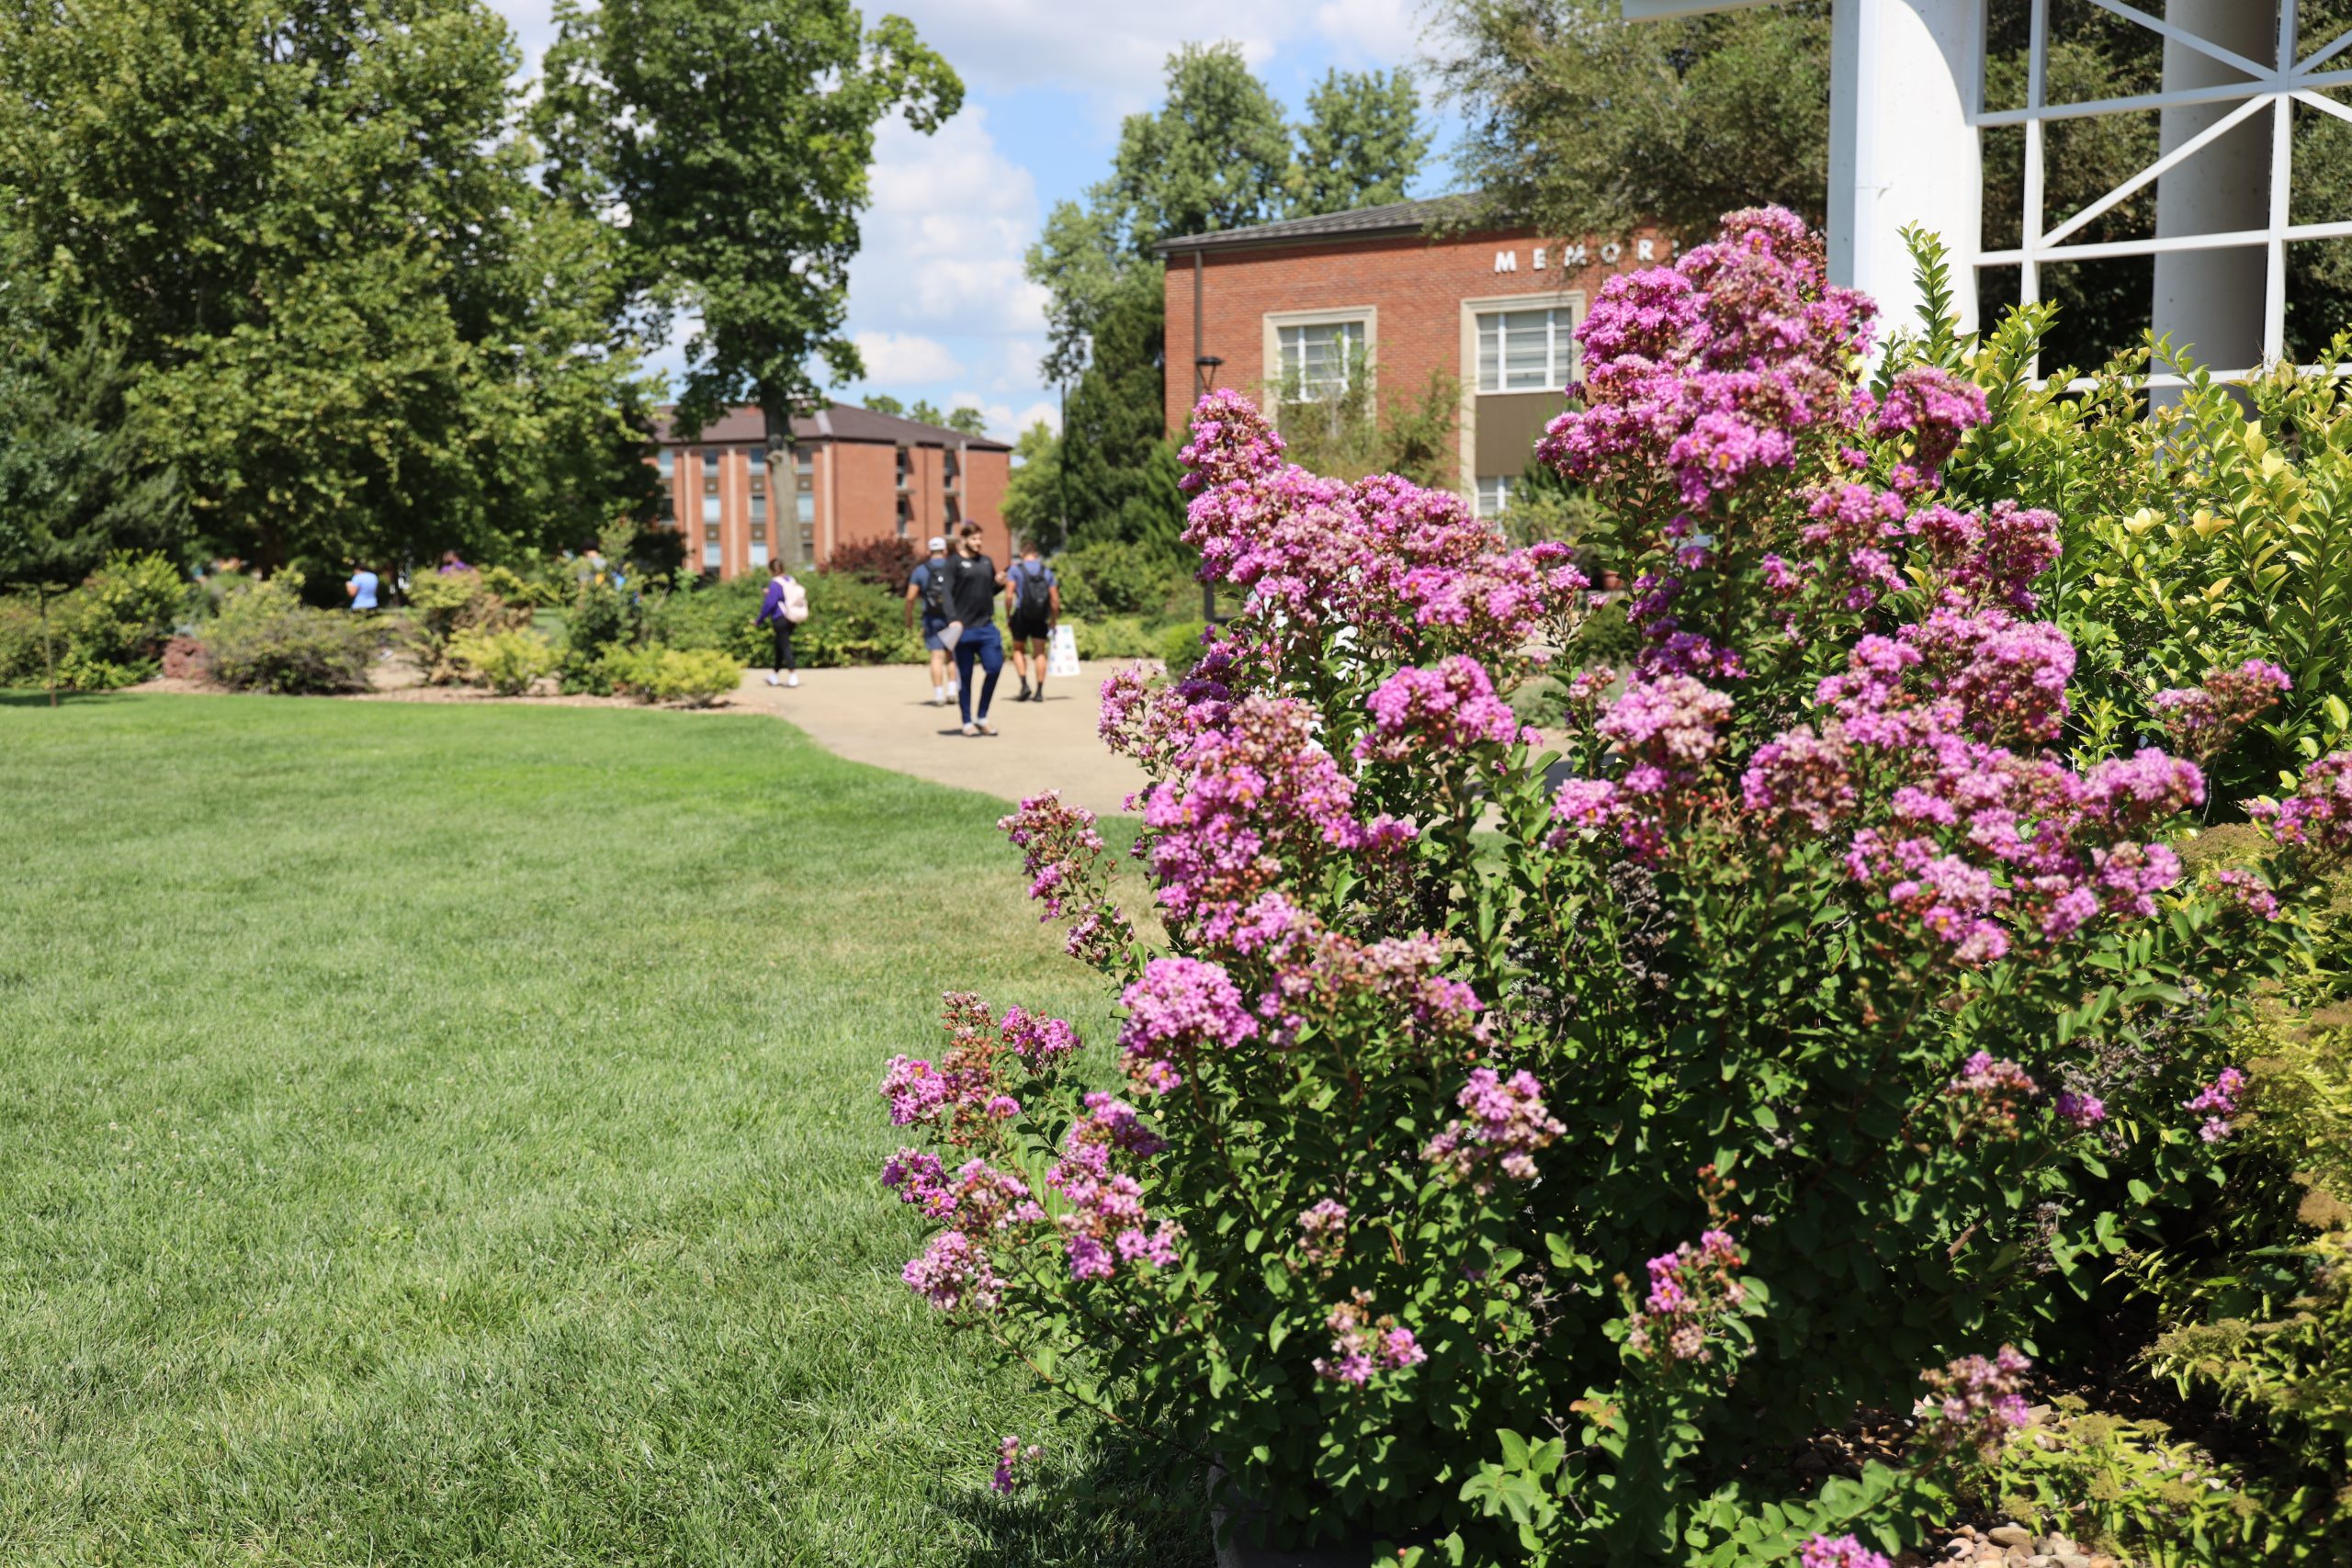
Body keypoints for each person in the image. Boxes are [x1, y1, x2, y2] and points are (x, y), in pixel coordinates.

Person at [943, 519, 1008, 736]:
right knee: (966, 676)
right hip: (964, 629)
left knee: (995, 667)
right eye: (974, 538)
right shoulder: (953, 563)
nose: (978, 542)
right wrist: (952, 618)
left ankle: (982, 716)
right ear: (964, 540)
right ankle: (967, 721)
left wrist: (998, 584)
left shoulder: (986, 562)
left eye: (980, 538)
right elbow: (946, 594)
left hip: (986, 627)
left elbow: (989, 592)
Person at [904, 536, 959, 706]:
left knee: (936, 656)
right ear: (944, 551)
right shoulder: (953, 567)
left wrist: (909, 617)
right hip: (952, 617)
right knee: (951, 655)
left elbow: (910, 597)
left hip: (931, 617)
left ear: (928, 552)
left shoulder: (921, 570)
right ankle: (952, 690)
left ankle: (938, 695)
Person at [1003, 540, 1060, 703]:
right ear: (1036, 555)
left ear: (1022, 554)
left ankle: (1024, 684)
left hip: (1022, 614)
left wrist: (1008, 615)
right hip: (1040, 616)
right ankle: (1040, 692)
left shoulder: (1015, 570)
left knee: (1018, 649)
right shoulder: (1046, 571)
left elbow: (1008, 596)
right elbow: (1055, 599)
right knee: (1040, 652)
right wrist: (1053, 619)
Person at [755, 561, 808, 687]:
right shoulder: (790, 580)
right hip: (791, 617)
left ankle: (793, 675)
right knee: (779, 645)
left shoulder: (775, 583)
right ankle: (774, 676)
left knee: (784, 646)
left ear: (771, 570)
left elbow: (769, 604)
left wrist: (759, 620)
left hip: (780, 618)